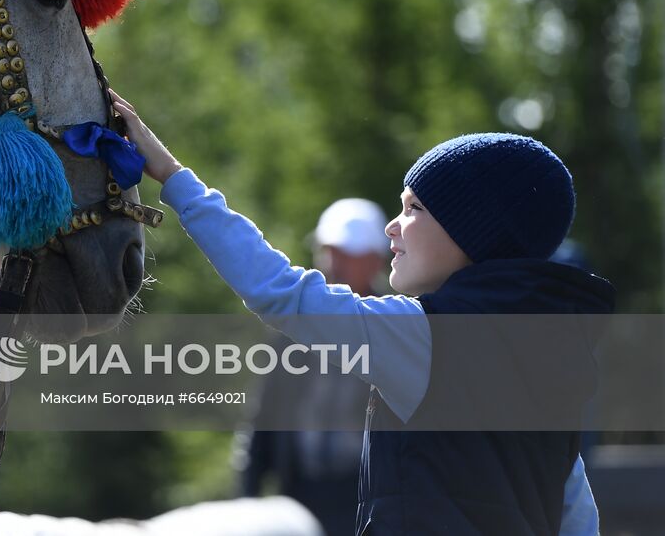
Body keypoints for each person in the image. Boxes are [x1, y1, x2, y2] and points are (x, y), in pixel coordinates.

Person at [110, 90, 613, 536]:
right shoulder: (554, 358)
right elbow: (578, 520)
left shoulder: (429, 336)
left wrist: (174, 178)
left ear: (474, 234)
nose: (391, 228)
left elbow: (281, 293)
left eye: (414, 209)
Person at [235, 198, 391, 535]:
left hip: (367, 507)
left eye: (350, 255)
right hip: (299, 498)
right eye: (330, 251)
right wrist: (247, 499)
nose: (336, 264)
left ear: (376, 260)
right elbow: (263, 420)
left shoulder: (396, 331)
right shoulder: (293, 331)